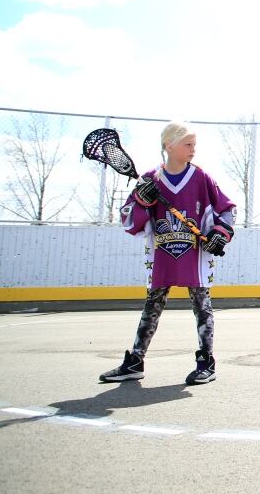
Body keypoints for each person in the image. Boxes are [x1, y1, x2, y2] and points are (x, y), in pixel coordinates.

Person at [99, 122, 236, 385]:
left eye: (195, 144)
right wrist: (142, 200)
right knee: (153, 303)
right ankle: (135, 361)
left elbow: (226, 209)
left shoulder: (201, 178)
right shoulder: (150, 179)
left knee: (201, 304)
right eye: (188, 144)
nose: (193, 149)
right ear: (169, 146)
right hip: (162, 252)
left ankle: (206, 361)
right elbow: (129, 218)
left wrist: (220, 233)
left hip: (195, 254)